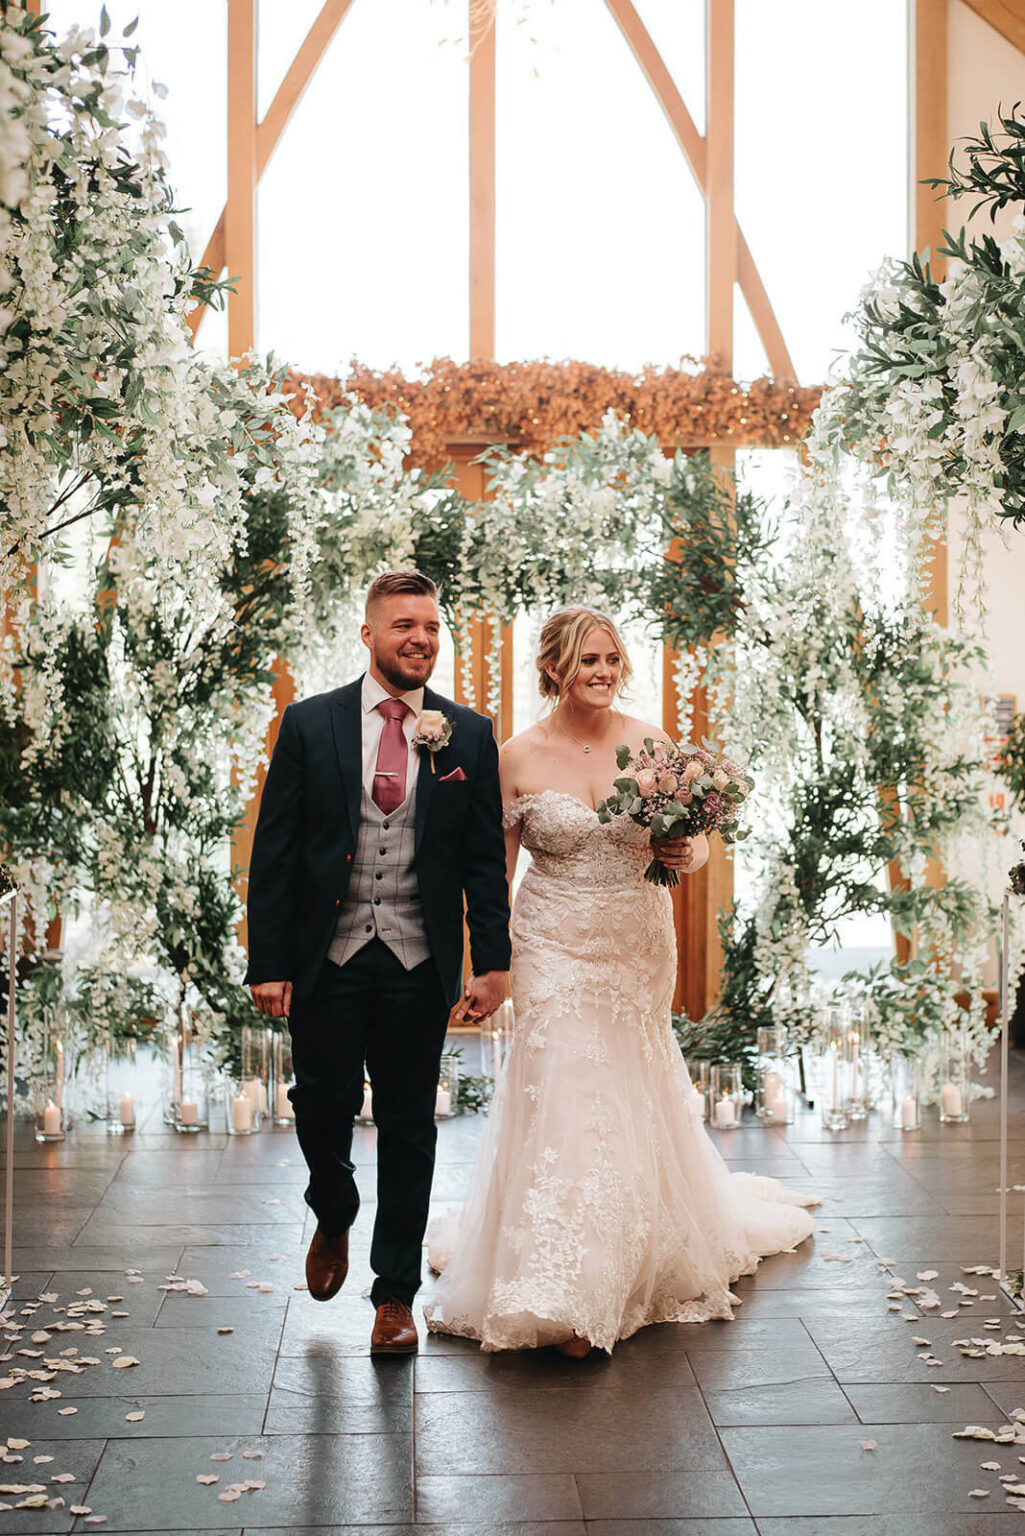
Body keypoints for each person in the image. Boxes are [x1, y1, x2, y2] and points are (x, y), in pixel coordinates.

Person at [424, 606, 816, 1356]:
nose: (601, 673)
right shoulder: (517, 756)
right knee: (566, 1088)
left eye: (609, 660)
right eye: (584, 662)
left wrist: (683, 853)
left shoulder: (650, 744)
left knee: (627, 1087)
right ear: (553, 670)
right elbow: (494, 873)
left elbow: (692, 848)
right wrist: (489, 963)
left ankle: (623, 1260)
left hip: (635, 940)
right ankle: (566, 1286)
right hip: (551, 939)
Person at [245, 570, 510, 1356]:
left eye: (430, 626)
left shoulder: (466, 733)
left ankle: (393, 1297)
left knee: (408, 1128)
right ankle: (333, 1205)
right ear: (369, 635)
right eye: (403, 626)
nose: (419, 639)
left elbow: (480, 863)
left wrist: (490, 962)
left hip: (414, 960)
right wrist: (269, 961)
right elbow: (277, 851)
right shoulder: (310, 722)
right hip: (326, 957)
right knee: (320, 1105)